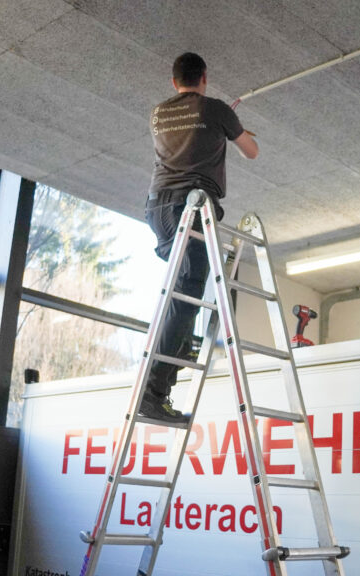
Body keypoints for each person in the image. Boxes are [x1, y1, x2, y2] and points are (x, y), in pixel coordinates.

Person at [141, 52, 259, 423]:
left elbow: (187, 142)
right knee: (189, 290)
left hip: (158, 208)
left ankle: (179, 353)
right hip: (190, 207)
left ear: (174, 81)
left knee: (184, 290)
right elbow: (252, 152)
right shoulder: (217, 110)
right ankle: (154, 392)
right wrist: (234, 130)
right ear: (204, 77)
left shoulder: (158, 113)